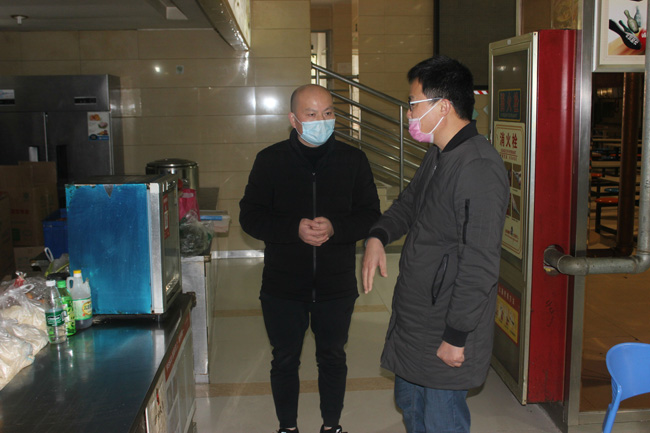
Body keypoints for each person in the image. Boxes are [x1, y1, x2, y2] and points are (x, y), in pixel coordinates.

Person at [361, 55, 510, 433]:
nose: (409, 112)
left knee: (440, 420)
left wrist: (456, 337)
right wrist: (379, 235)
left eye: (413, 104)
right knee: (412, 409)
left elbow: (479, 263)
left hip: (446, 325)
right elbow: (410, 203)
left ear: (443, 106)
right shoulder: (439, 153)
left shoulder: (478, 167)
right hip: (417, 318)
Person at [240, 84, 381, 433]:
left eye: (328, 113)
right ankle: (287, 427)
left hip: (336, 285)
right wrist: (293, 229)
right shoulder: (270, 160)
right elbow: (250, 216)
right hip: (283, 286)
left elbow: (370, 214)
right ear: (293, 119)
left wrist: (336, 228)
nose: (322, 120)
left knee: (332, 357)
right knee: (284, 359)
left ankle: (331, 426)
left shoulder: (353, 160)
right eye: (312, 114)